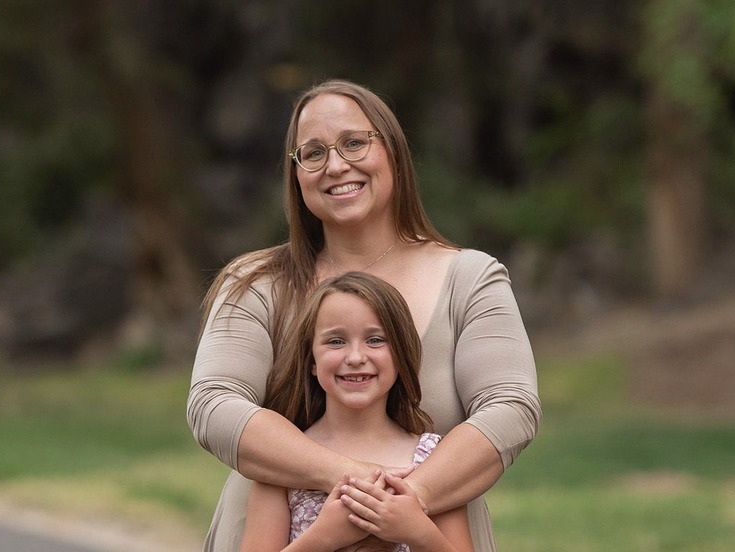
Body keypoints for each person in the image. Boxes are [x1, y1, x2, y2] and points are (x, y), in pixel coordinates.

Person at [188, 78, 541, 551]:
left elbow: (511, 408)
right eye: (313, 153)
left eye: (354, 142)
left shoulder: (470, 279)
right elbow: (214, 404)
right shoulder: (255, 284)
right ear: (296, 173)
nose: (336, 165)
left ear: (393, 150)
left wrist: (408, 503)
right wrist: (357, 486)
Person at [240, 272, 473, 551]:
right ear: (311, 360)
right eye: (336, 341)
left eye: (375, 340)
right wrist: (323, 537)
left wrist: (419, 532)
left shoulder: (433, 459)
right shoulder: (282, 462)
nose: (355, 357)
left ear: (400, 354)